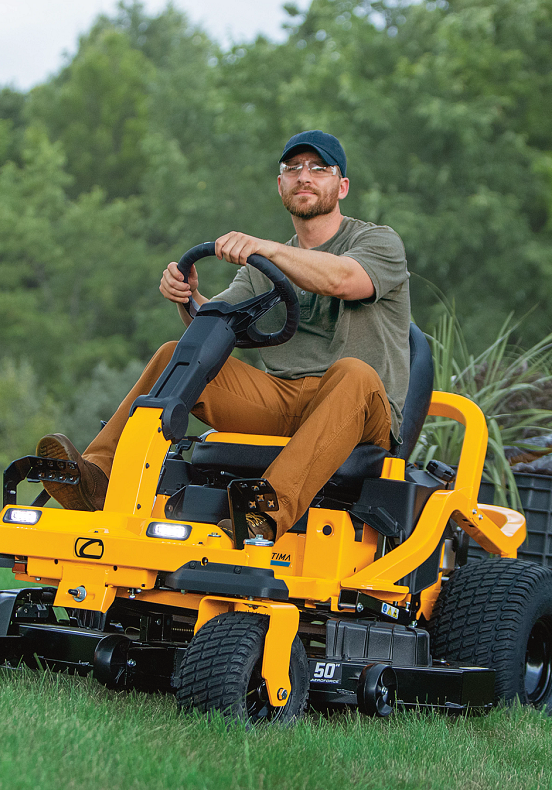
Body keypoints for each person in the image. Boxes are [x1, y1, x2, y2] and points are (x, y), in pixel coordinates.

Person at [37, 130, 410, 540]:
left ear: (342, 186)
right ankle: (99, 478)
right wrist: (188, 295)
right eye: (293, 168)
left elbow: (343, 280)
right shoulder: (262, 266)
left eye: (319, 168)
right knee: (171, 354)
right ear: (281, 184)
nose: (305, 176)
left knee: (352, 373)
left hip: (361, 409)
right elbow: (218, 325)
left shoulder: (376, 241)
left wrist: (264, 249)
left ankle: (262, 514)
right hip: (284, 401)